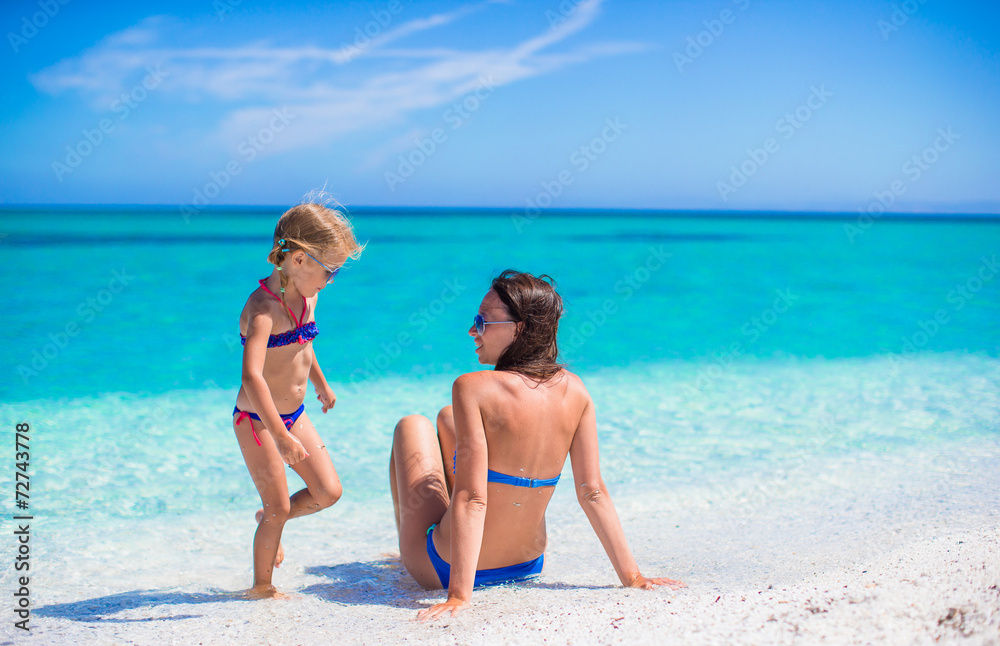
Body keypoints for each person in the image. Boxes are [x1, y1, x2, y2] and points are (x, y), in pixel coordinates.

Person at [389, 270, 686, 619]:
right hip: (526, 564)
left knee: (414, 425)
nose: (472, 330)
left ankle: (409, 547)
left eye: (482, 321)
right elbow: (593, 492)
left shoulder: (472, 387)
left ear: (520, 328)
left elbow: (472, 497)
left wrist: (458, 596)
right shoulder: (577, 391)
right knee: (446, 418)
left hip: (444, 568)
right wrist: (632, 577)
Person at [232, 201, 363, 598]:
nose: (333, 279)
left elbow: (303, 345)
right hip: (258, 422)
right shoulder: (263, 310)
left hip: (295, 415)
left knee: (328, 491)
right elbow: (251, 376)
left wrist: (320, 383)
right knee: (278, 508)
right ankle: (261, 588)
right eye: (331, 269)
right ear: (301, 260)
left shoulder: (308, 297)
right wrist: (281, 435)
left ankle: (272, 518)